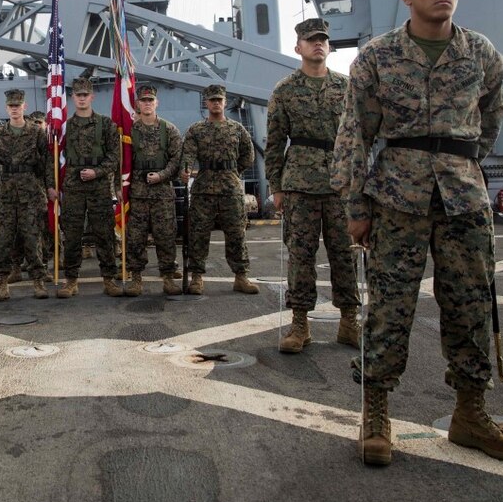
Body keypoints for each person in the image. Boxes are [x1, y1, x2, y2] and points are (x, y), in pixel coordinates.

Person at [332, 0, 503, 466]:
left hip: (463, 200)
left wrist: (462, 164)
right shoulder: (376, 58)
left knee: (470, 305)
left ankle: (470, 413)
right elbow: (354, 136)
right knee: (390, 309)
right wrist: (356, 206)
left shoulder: (482, 55)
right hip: (397, 197)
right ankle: (375, 411)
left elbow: (491, 120)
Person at [265, 18, 360, 353]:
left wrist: (359, 184)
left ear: (329, 46)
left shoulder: (348, 87)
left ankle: (349, 321)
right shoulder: (285, 90)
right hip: (300, 185)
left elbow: (358, 140)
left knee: (344, 254)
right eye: (311, 40)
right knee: (300, 256)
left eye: (322, 40)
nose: (318, 44)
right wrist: (276, 187)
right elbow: (274, 143)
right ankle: (299, 325)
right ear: (298, 48)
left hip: (340, 185)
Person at [0, 89, 53, 300]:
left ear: (24, 107)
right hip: (7, 191)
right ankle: (2, 283)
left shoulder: (36, 133)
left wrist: (50, 187)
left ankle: (38, 280)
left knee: (32, 237)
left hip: (30, 191)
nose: (15, 109)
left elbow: (47, 163)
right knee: (3, 239)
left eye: (18, 105)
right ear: (7, 108)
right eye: (11, 106)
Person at [180, 84, 257, 296]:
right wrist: (185, 171)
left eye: (219, 100)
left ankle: (241, 276)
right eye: (212, 100)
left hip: (230, 187)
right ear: (206, 103)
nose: (216, 103)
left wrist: (232, 172)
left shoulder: (237, 129)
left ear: (224, 102)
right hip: (203, 186)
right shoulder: (196, 130)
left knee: (236, 233)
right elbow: (187, 155)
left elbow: (247, 156)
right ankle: (197, 277)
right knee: (198, 233)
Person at [49, 76, 120, 298]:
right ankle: (71, 280)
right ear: (72, 97)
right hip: (72, 185)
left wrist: (97, 171)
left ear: (92, 96)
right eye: (78, 95)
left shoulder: (105, 124)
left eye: (85, 95)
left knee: (104, 233)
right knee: (72, 234)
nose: (81, 98)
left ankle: (109, 279)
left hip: (98, 185)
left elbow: (115, 156)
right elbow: (52, 157)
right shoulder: (63, 127)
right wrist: (53, 185)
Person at [125, 83, 183, 296]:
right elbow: (121, 161)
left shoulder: (169, 129)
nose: (147, 103)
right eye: (143, 100)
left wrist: (162, 175)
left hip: (162, 194)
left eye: (151, 100)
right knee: (136, 238)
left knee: (166, 237)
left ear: (156, 103)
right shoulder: (129, 131)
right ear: (137, 104)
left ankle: (168, 278)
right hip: (138, 194)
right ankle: (136, 279)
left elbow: (177, 159)